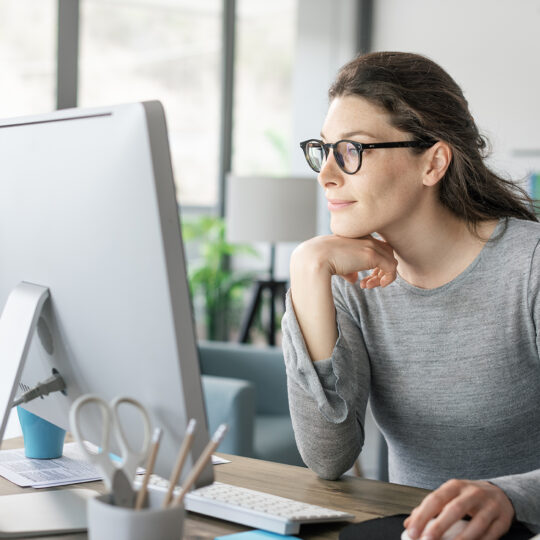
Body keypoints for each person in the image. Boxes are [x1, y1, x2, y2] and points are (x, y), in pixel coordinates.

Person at [281, 51, 540, 540]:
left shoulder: (530, 267)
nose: (326, 174)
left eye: (352, 150)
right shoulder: (348, 281)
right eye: (324, 150)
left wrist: (507, 495)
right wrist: (307, 270)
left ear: (434, 162)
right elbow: (328, 457)